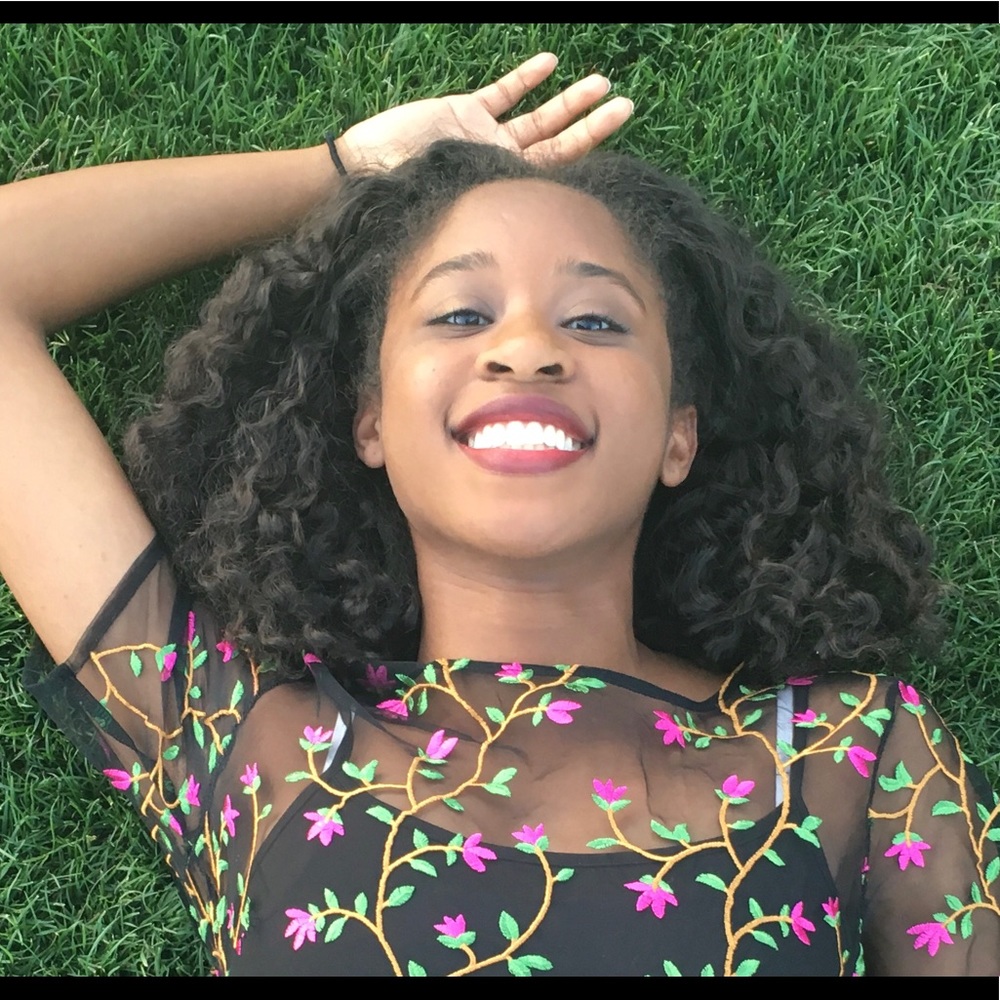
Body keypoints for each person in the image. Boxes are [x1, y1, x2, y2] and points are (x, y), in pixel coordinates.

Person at [2, 53, 997, 976]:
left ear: (677, 436)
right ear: (369, 422)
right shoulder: (246, 741)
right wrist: (341, 172)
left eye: (595, 320)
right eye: (461, 314)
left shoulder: (855, 755)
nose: (526, 348)